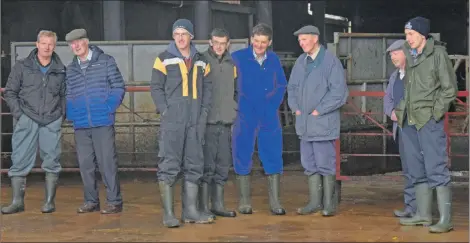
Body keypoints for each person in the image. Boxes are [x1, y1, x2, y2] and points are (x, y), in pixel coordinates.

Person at [395, 17, 457, 233]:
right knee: (415, 168)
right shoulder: (410, 55)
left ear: (422, 35)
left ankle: (445, 220)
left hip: (428, 120)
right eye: (406, 34)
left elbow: (449, 90)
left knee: (436, 168)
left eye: (411, 34)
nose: (407, 38)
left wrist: (435, 113)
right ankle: (423, 214)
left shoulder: (437, 54)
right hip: (410, 118)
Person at [151, 19, 213, 227]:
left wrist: (203, 113)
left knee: (194, 164)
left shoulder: (202, 60)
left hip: (195, 121)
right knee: (169, 165)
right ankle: (169, 214)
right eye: (176, 33)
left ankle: (191, 212)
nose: (180, 38)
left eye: (184, 33)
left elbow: (208, 88)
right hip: (173, 122)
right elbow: (156, 88)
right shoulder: (163, 59)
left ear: (191, 36)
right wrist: (166, 111)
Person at [2, 30, 66, 214]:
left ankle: (49, 203)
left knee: (52, 160)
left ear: (54, 46)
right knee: (20, 159)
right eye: (43, 43)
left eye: (51, 44)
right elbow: (10, 92)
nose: (47, 47)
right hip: (27, 118)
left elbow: (64, 94)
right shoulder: (22, 66)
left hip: (51, 120)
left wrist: (61, 116)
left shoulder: (61, 70)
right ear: (37, 44)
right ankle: (17, 202)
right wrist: (19, 115)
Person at [287, 25, 348, 217]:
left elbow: (339, 93)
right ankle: (314, 202)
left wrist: (318, 110)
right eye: (300, 40)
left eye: (304, 39)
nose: (301, 43)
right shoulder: (301, 61)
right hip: (304, 124)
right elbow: (292, 88)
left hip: (322, 123)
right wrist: (295, 107)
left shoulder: (330, 62)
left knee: (325, 164)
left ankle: (329, 204)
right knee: (309, 164)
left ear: (315, 38)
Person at [64, 28, 125, 214]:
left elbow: (118, 86)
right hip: (81, 124)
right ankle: (91, 201)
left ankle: (114, 201)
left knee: (107, 162)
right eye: (72, 43)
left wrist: (108, 108)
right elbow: (68, 94)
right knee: (86, 164)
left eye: (79, 41)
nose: (76, 45)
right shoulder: (71, 69)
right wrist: (72, 114)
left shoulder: (105, 61)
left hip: (102, 121)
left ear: (87, 41)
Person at [231, 23, 287, 215]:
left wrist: (273, 105)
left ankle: (275, 202)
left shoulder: (274, 60)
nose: (259, 45)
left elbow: (281, 85)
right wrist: (236, 106)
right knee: (242, 152)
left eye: (263, 42)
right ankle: (245, 202)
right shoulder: (237, 58)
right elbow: (228, 85)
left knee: (272, 153)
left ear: (269, 42)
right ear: (251, 39)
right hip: (245, 114)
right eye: (256, 41)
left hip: (268, 114)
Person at [199, 28, 237, 219]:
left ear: (228, 44)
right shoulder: (202, 61)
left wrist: (234, 108)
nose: (219, 46)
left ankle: (218, 205)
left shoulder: (232, 64)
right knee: (207, 165)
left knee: (223, 163)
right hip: (208, 122)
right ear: (210, 42)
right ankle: (204, 206)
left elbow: (237, 90)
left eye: (223, 43)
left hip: (226, 121)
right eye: (216, 42)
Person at [383, 39, 416, 218]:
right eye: (390, 54)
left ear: (406, 53)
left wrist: (402, 112)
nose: (392, 57)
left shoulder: (415, 74)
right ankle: (411, 207)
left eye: (395, 53)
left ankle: (421, 210)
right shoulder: (395, 76)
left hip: (416, 128)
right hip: (401, 129)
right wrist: (392, 113)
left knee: (418, 168)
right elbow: (387, 98)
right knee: (408, 168)